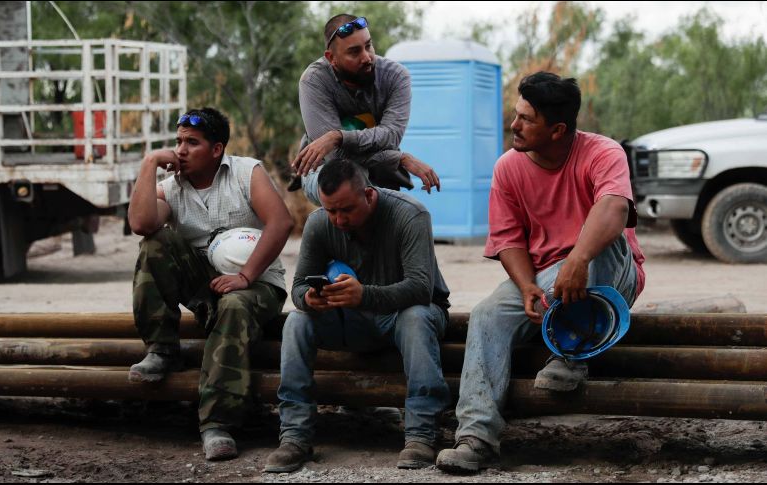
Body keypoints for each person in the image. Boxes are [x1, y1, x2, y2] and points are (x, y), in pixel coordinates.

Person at [435, 72, 646, 473]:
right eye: (517, 115)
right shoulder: (508, 168)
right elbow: (509, 237)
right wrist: (527, 285)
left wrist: (577, 260)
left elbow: (615, 210)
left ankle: (571, 354)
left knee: (602, 238)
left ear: (558, 129)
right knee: (486, 314)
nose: (514, 125)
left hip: (610, 273)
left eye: (526, 119)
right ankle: (476, 437)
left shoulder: (603, 152)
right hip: (545, 278)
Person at [126, 107, 294, 461]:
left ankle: (217, 423)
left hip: (257, 285)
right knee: (155, 243)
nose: (181, 150)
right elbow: (141, 224)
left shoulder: (247, 172)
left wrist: (245, 276)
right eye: (178, 142)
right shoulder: (171, 188)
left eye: (192, 143)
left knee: (234, 305)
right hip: (207, 288)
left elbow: (281, 222)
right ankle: (161, 350)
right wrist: (149, 163)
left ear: (216, 149)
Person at [265, 160, 452, 472]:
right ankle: (294, 437)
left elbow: (421, 289)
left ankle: (421, 433)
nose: (338, 219)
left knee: (415, 317)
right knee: (297, 321)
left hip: (405, 318)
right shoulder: (319, 223)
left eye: (346, 210)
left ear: (369, 194)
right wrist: (311, 299)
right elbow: (298, 288)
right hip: (352, 321)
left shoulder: (410, 214)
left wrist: (364, 295)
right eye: (331, 211)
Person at [288, 13, 440, 205]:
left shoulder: (396, 76)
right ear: (331, 58)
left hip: (380, 171)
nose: (367, 57)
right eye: (354, 52)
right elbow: (337, 157)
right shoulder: (314, 81)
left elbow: (391, 135)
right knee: (347, 190)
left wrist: (338, 137)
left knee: (404, 210)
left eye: (368, 46)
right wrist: (399, 158)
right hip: (325, 169)